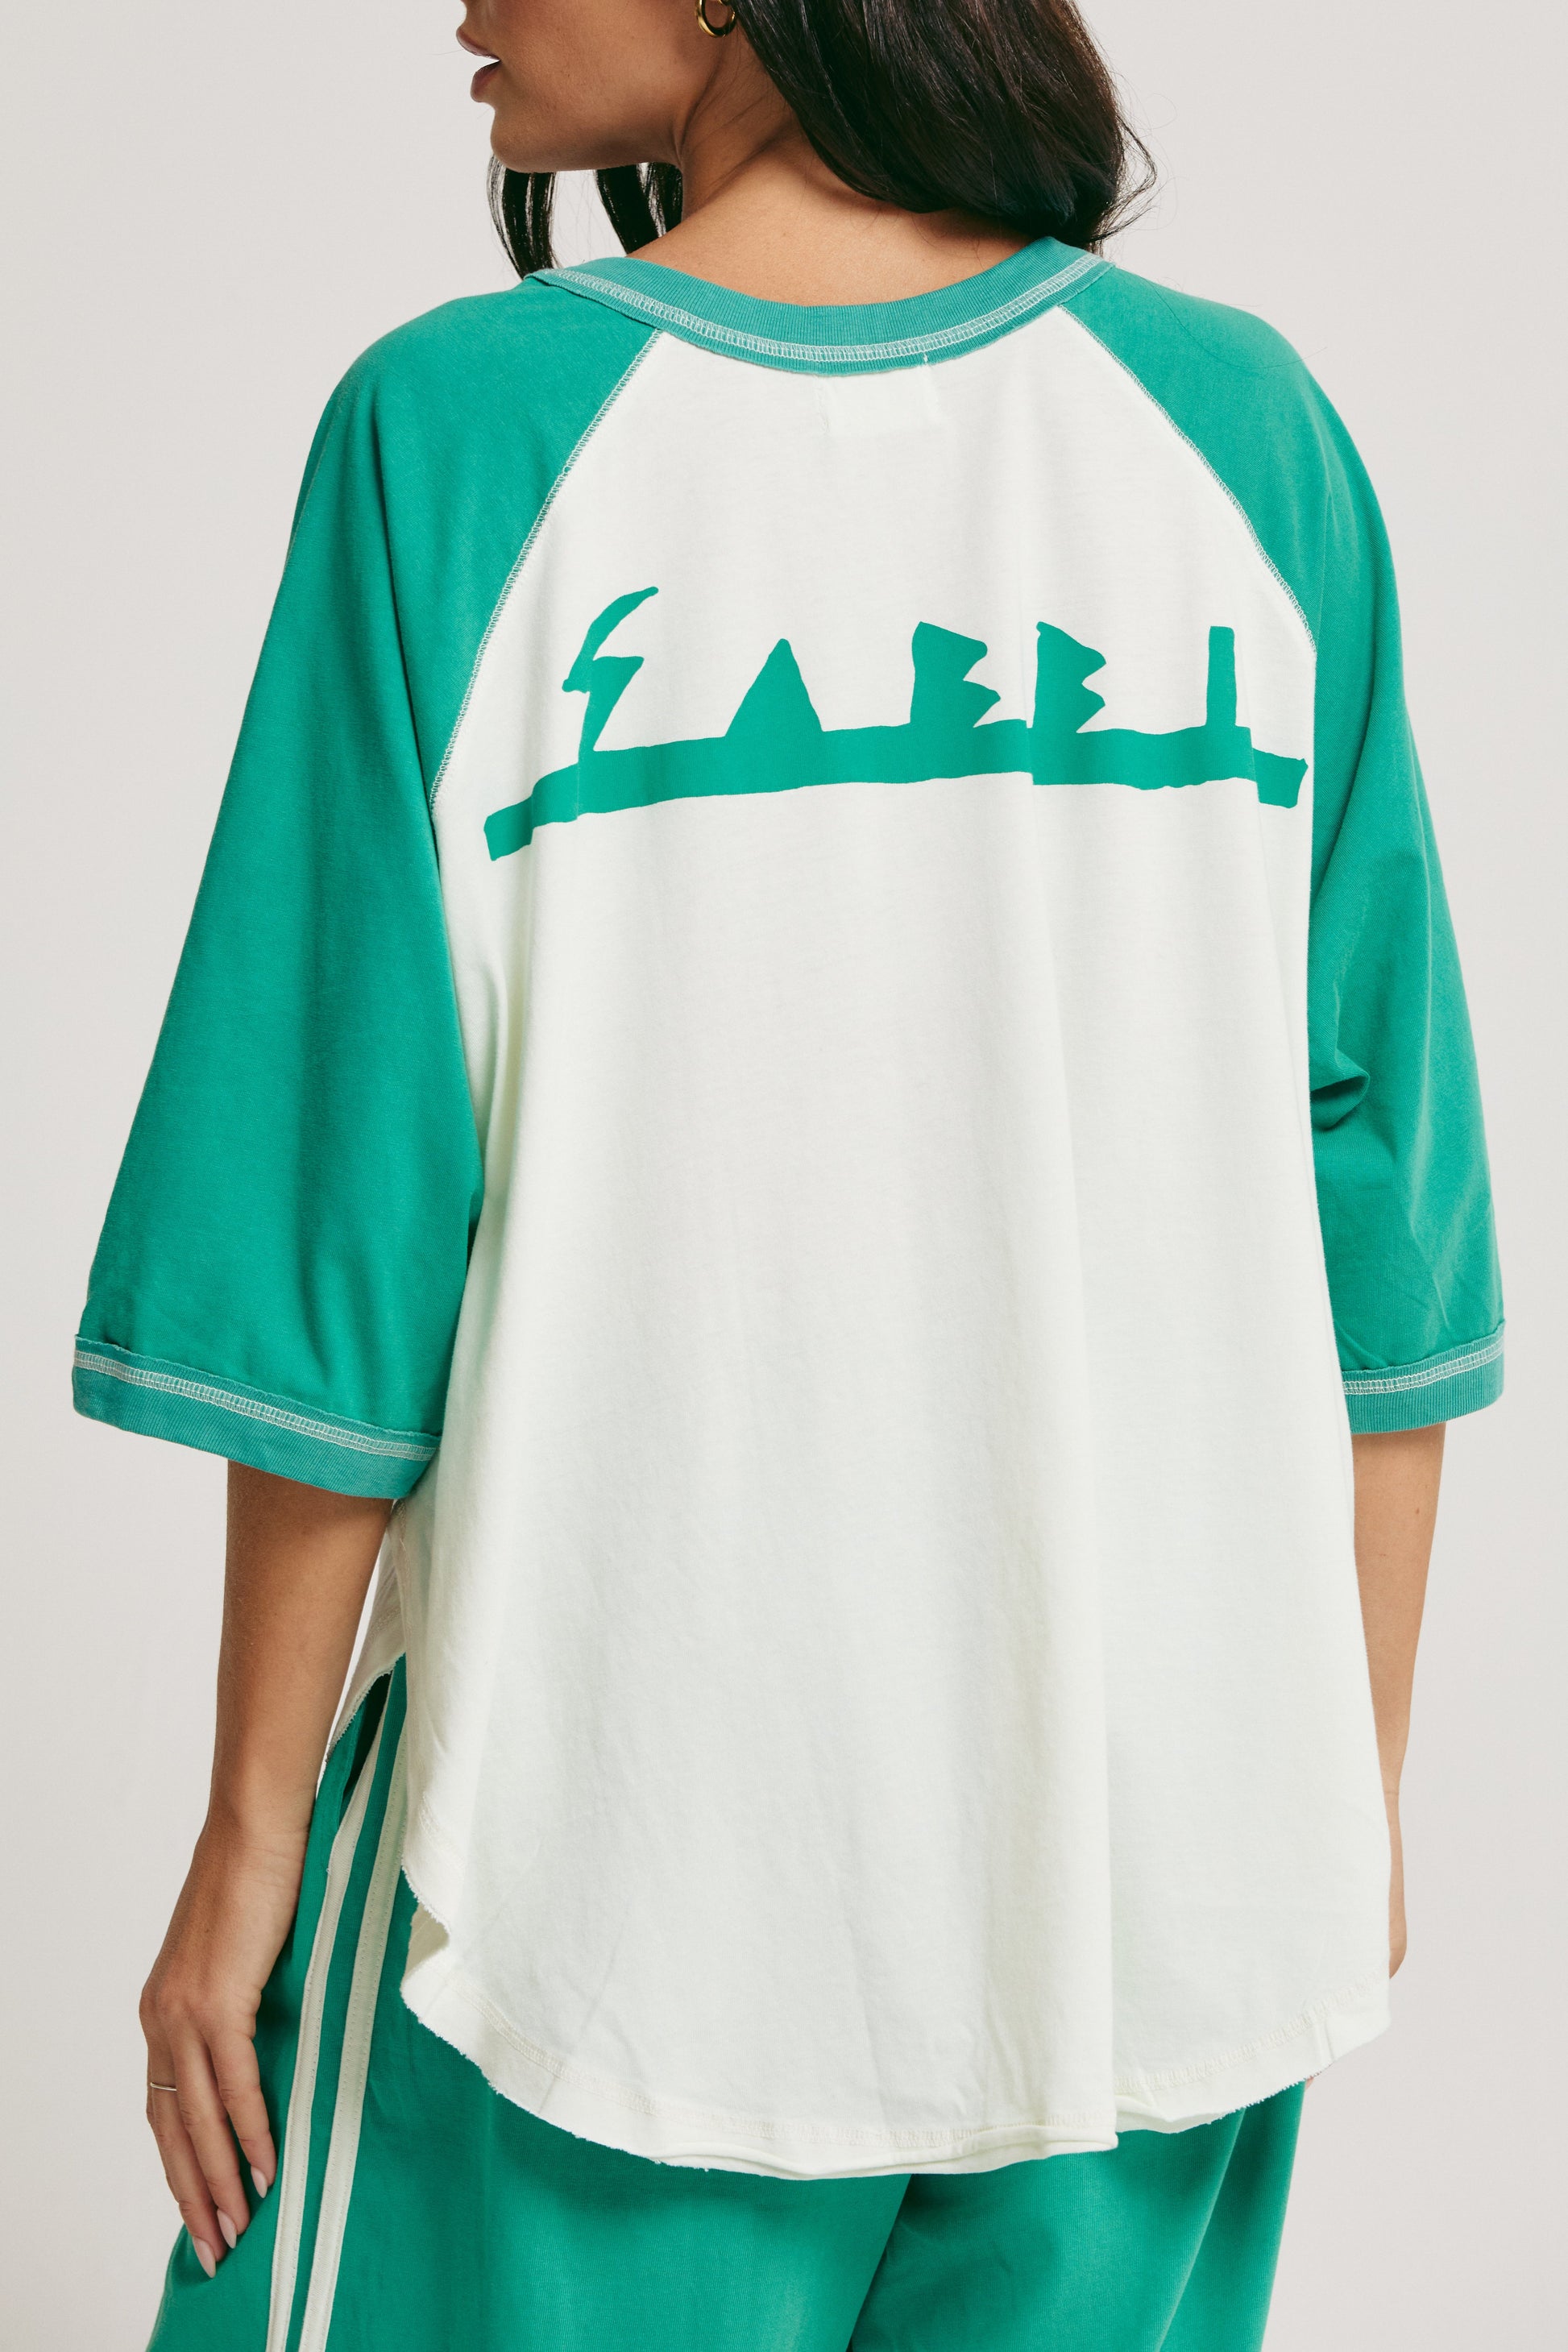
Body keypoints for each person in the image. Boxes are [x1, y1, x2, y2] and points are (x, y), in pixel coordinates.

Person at [73, 0, 1504, 2345]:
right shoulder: (1247, 436)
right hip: (1160, 1898)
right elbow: (1389, 1202)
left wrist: (249, 1846)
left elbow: (338, 1220)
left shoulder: (458, 437)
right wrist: (1338, 1786)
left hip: (603, 1891)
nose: (462, 5)